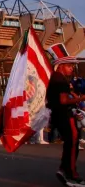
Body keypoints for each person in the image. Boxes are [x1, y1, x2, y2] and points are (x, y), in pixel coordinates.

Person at [45, 43, 85, 186]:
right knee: (73, 142)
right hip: (64, 116)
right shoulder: (58, 78)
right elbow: (63, 100)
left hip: (61, 115)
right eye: (69, 65)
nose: (71, 68)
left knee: (71, 142)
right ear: (60, 65)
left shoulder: (57, 78)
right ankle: (71, 174)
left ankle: (64, 169)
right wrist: (81, 98)